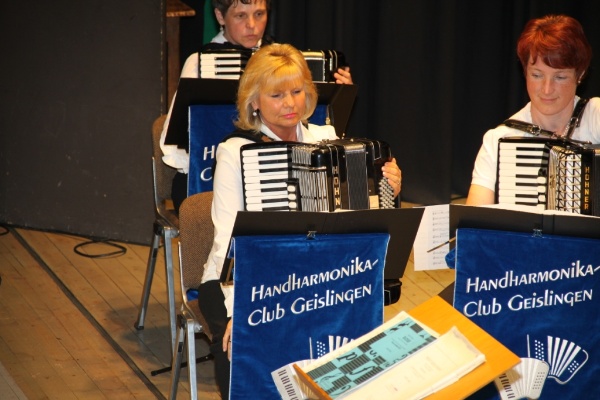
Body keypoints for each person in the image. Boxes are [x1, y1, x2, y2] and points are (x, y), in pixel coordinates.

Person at [195, 43, 402, 399]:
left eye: (296, 91)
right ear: (254, 101)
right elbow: (228, 243)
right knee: (242, 352)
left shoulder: (328, 140)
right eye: (276, 95)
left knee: (353, 343)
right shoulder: (235, 152)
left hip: (320, 279)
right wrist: (238, 313)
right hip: (243, 282)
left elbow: (361, 224)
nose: (289, 103)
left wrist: (389, 187)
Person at [160, 0, 353, 212]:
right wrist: (208, 170)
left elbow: (320, 123)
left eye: (259, 14)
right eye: (241, 16)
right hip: (209, 174)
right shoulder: (199, 63)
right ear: (220, 16)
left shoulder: (285, 58)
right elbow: (174, 142)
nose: (252, 25)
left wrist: (340, 94)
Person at [466, 14, 600, 206]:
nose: (547, 89)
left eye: (560, 77)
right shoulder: (500, 139)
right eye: (537, 75)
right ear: (525, 72)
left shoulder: (595, 116)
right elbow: (474, 218)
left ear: (580, 75)